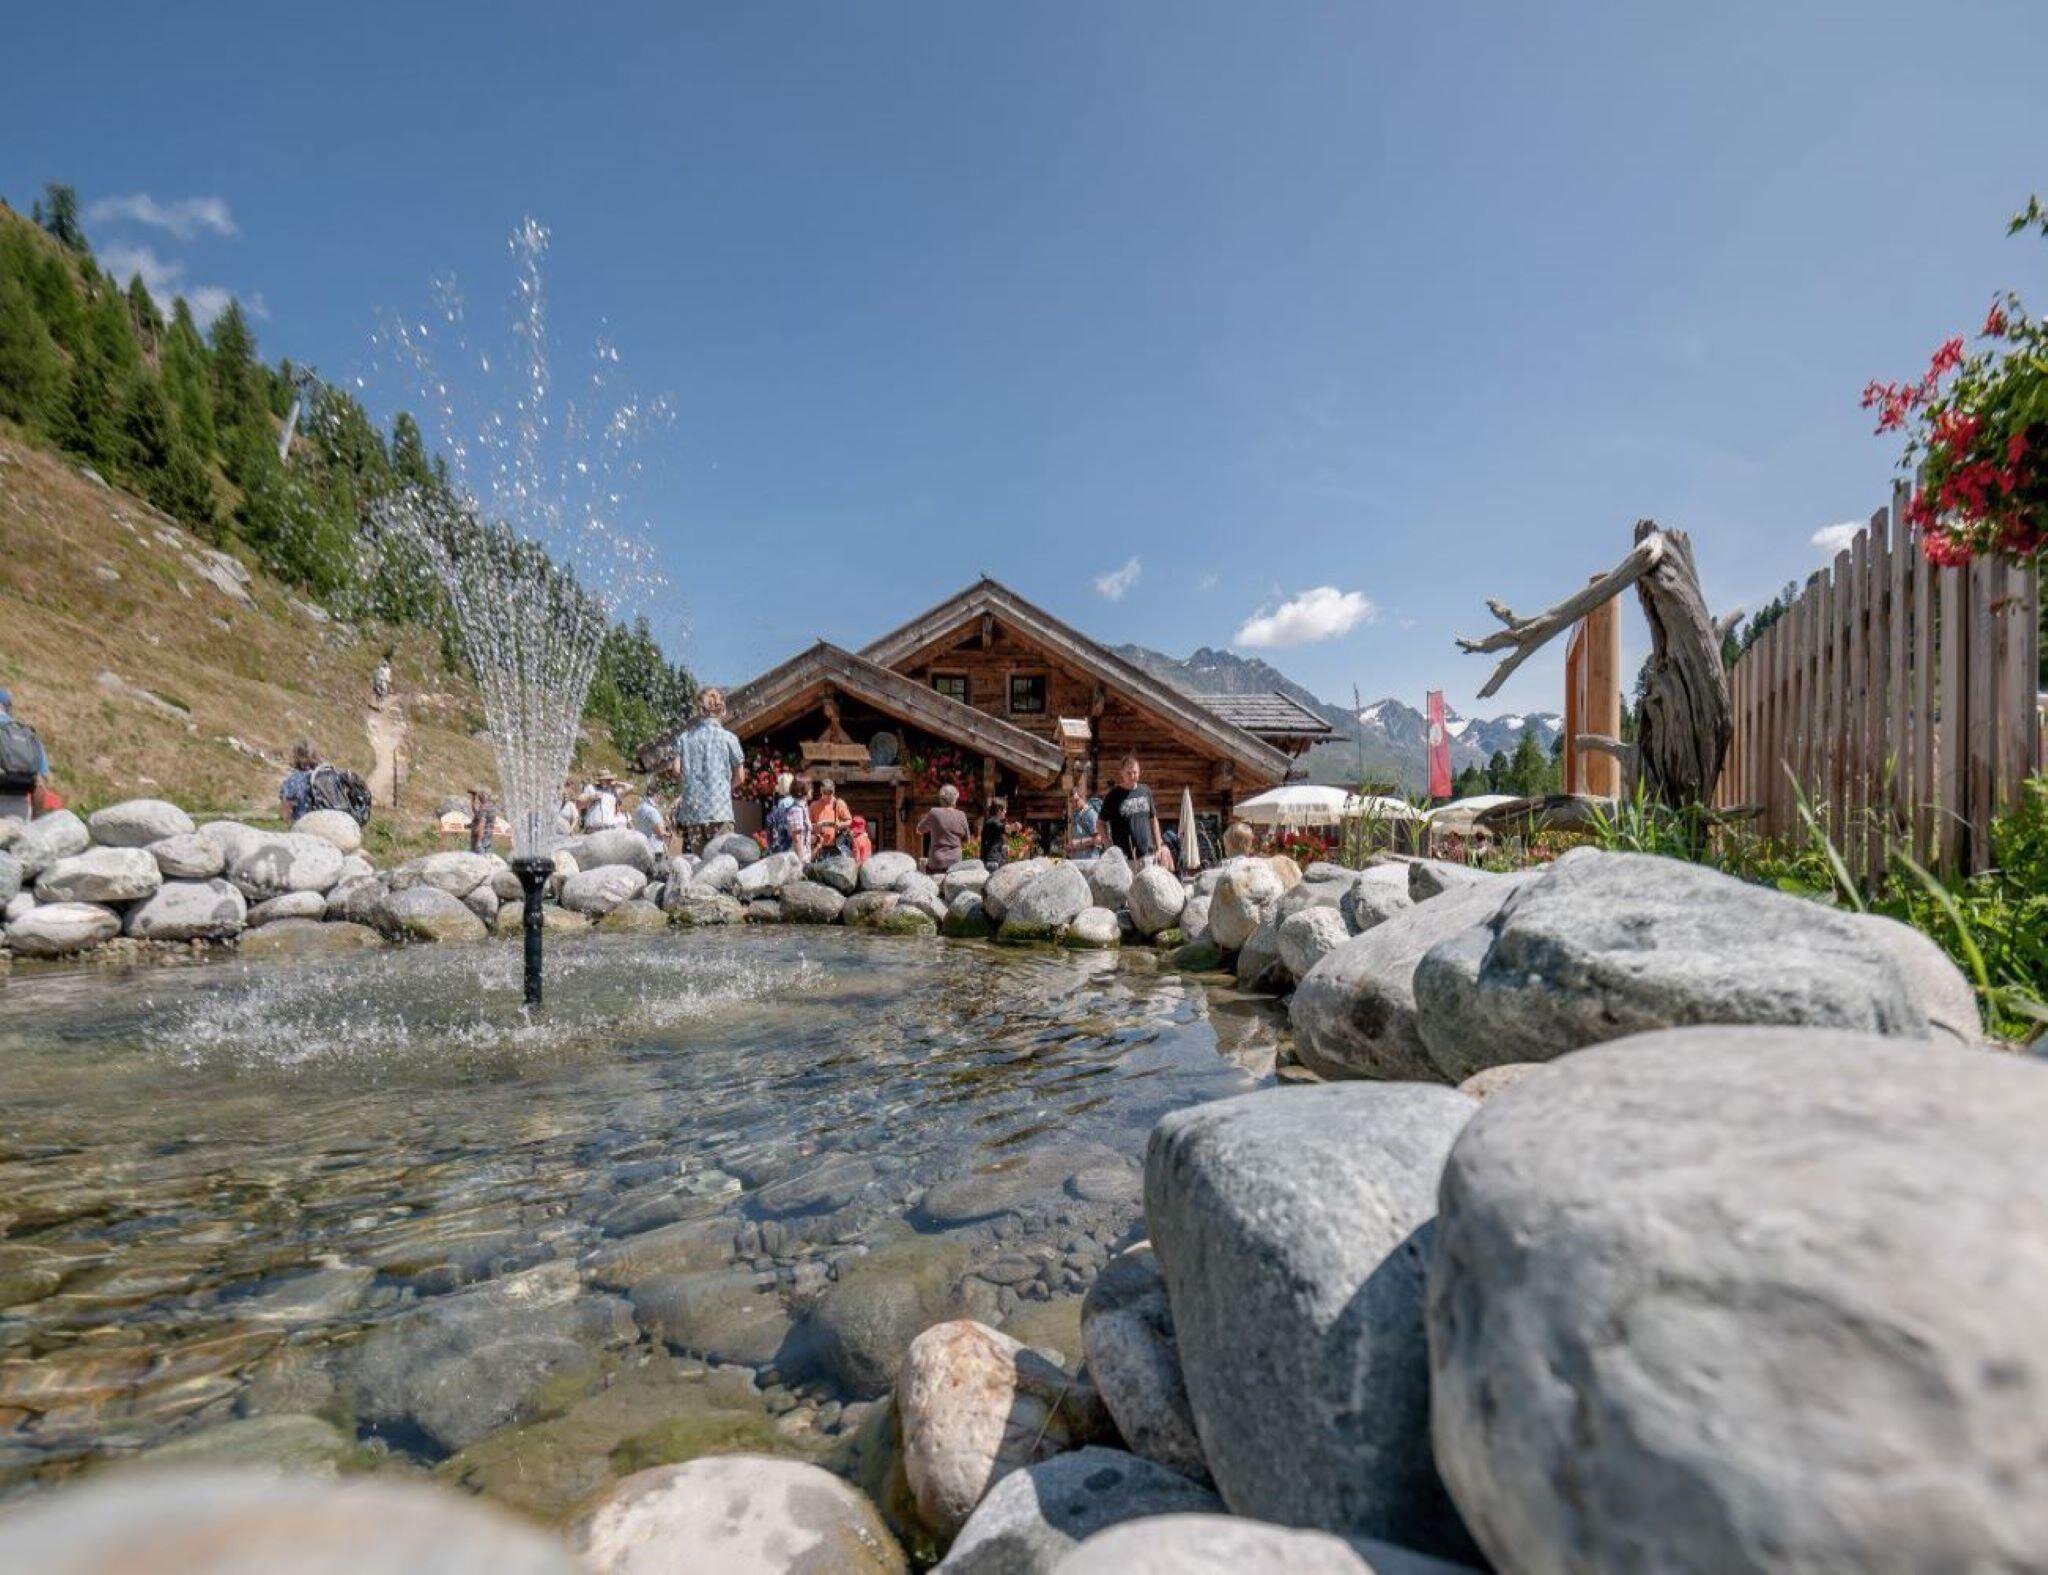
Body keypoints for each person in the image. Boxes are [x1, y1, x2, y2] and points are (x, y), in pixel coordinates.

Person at [674, 687, 746, 855]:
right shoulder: (729, 738)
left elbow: (676, 770)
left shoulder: (684, 738)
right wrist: (724, 788)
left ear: (699, 710)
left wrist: (691, 784)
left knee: (699, 862)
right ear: (723, 710)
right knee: (721, 863)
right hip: (720, 810)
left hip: (693, 811)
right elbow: (740, 777)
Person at [1099, 755, 1172, 871]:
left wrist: (1159, 846)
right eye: (1129, 773)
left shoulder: (1145, 791)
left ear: (1139, 772)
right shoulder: (1113, 795)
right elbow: (1100, 823)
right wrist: (1109, 848)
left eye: (1135, 772)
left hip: (1148, 856)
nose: (1132, 776)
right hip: (1124, 860)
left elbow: (1153, 820)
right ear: (1122, 773)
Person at [0, 686, 50, 823]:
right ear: (8, 707)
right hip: (20, 811)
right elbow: (41, 784)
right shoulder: (27, 735)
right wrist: (36, 820)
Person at [917, 783, 971, 875]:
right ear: (956, 798)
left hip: (937, 861)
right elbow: (967, 840)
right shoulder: (962, 815)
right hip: (956, 861)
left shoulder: (934, 812)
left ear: (941, 798)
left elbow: (919, 830)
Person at [279, 741, 322, 825]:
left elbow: (286, 813)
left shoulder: (292, 781)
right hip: (329, 822)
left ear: (295, 757)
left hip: (304, 825)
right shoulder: (326, 776)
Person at [809, 778, 852, 856]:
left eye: (830, 792)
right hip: (819, 847)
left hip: (836, 846)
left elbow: (849, 821)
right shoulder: (814, 805)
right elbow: (807, 825)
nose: (828, 795)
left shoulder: (839, 803)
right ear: (821, 791)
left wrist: (840, 825)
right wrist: (816, 826)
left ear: (834, 791)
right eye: (825, 792)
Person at [1063, 785, 1100, 855]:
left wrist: (1080, 842)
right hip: (1078, 858)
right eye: (1071, 801)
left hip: (1090, 859)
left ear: (1082, 798)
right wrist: (1071, 847)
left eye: (1076, 800)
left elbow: (1098, 839)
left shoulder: (1091, 814)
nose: (1074, 804)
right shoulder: (1076, 815)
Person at [979, 795, 1009, 872]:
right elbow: (1003, 827)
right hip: (992, 862)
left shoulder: (991, 821)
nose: (1006, 812)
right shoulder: (993, 822)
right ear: (999, 809)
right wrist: (1013, 827)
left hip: (992, 860)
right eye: (1005, 809)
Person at [468, 785, 497, 854]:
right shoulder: (491, 807)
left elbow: (481, 824)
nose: (479, 796)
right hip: (487, 838)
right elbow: (476, 813)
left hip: (481, 840)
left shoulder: (484, 808)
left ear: (484, 796)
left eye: (480, 794)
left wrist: (479, 842)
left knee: (478, 857)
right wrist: (473, 798)